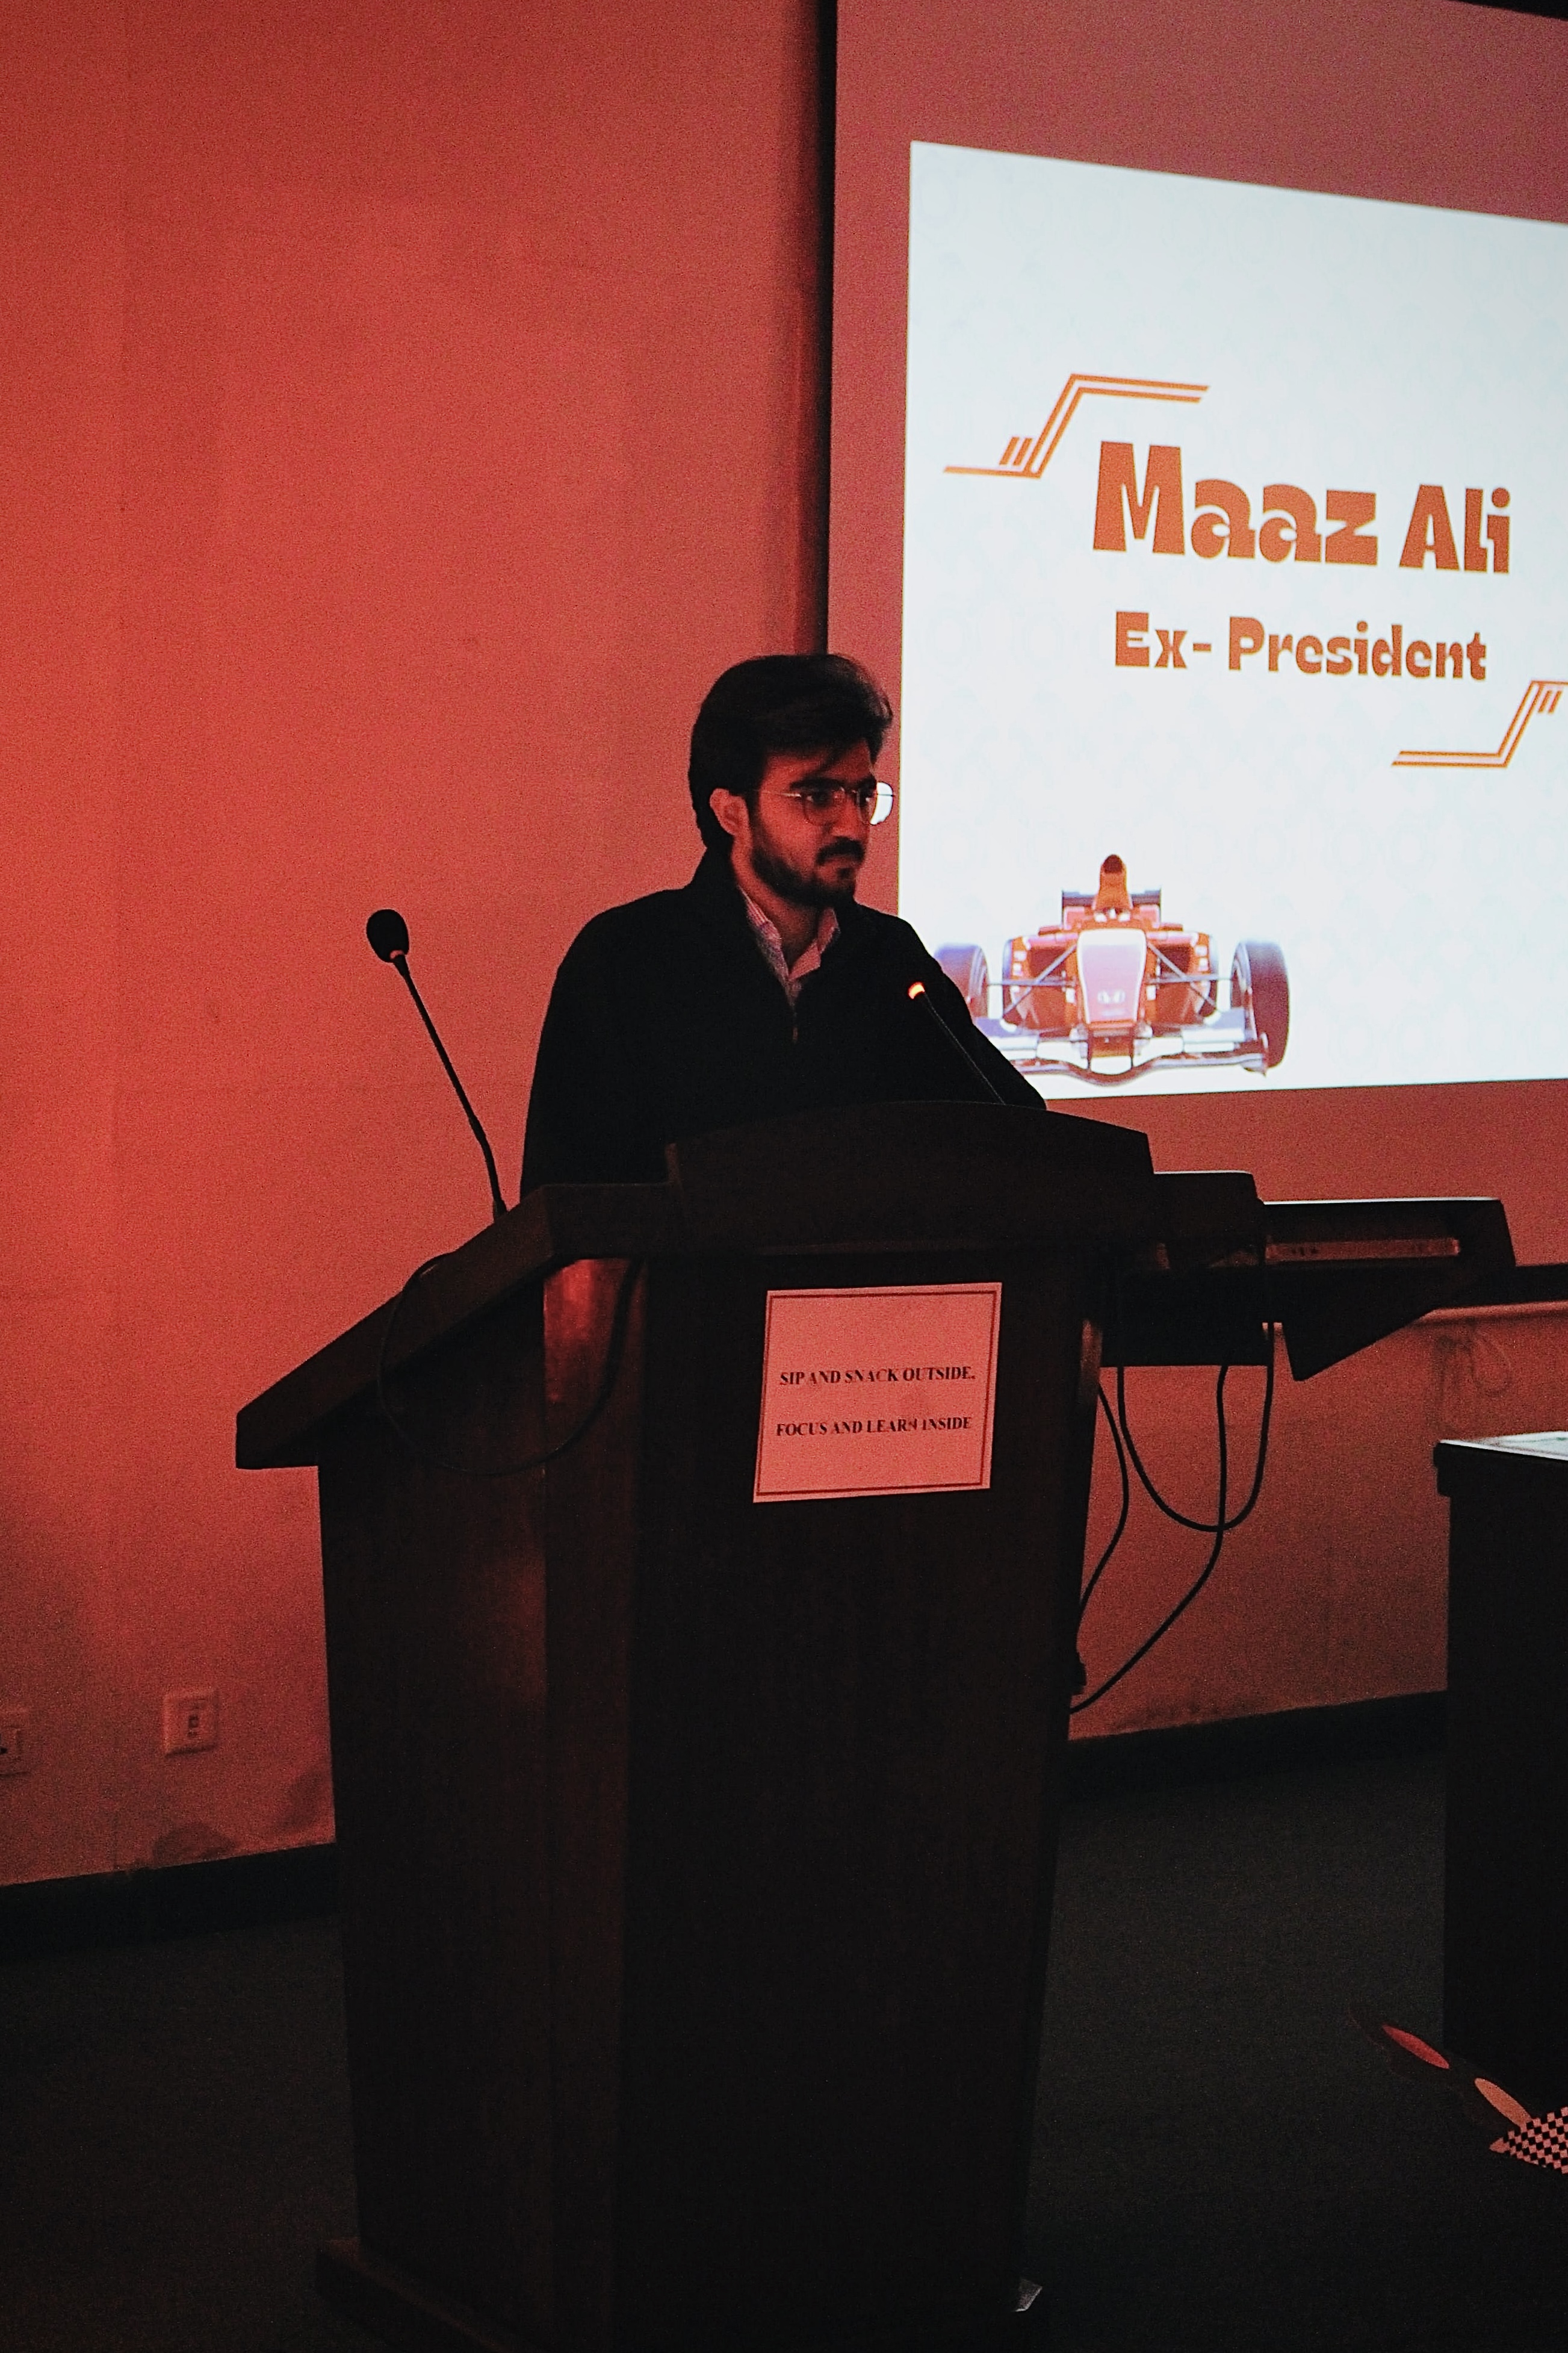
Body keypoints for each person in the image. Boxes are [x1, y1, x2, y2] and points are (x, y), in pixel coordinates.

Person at [520, 653, 1047, 1190]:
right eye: (817, 796)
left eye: (863, 795)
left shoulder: (891, 958)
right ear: (731, 811)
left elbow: (1022, 1139)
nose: (852, 825)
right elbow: (566, 1201)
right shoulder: (626, 960)